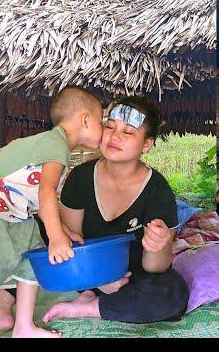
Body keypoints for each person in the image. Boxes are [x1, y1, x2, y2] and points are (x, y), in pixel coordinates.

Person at [0, 86, 104, 338]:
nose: (103, 127)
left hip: (15, 210)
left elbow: (39, 201)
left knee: (32, 260)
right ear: (86, 120)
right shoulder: (57, 145)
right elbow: (46, 192)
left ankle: (23, 327)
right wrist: (56, 238)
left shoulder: (55, 146)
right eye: (101, 121)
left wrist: (62, 230)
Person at [41, 94, 189, 324]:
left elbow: (156, 266)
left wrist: (157, 244)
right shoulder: (80, 178)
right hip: (87, 269)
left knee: (173, 292)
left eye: (128, 132)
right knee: (47, 235)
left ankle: (91, 307)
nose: (114, 136)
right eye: (110, 127)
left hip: (133, 277)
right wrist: (98, 281)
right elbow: (69, 242)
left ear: (146, 144)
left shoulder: (158, 192)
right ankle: (93, 295)